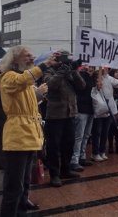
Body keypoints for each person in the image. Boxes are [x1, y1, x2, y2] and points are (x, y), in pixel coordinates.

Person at [0, 45, 55, 216]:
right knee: (14, 184)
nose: (31, 57)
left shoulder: (27, 80)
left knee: (25, 179)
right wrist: (44, 65)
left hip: (30, 135)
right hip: (18, 137)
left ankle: (22, 205)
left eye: (32, 55)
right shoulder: (8, 76)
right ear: (14, 59)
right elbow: (20, 82)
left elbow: (29, 104)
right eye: (27, 55)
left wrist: (38, 93)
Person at [43, 50, 85, 187]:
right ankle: (54, 174)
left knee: (69, 144)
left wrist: (73, 71)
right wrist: (62, 71)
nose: (64, 62)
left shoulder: (69, 71)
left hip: (71, 113)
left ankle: (65, 170)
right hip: (55, 115)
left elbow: (82, 86)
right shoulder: (48, 71)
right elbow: (51, 86)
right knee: (54, 147)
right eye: (62, 59)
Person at [90, 67, 118, 162]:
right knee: (97, 132)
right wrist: (98, 76)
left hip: (109, 108)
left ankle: (102, 151)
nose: (105, 69)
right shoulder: (94, 76)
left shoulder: (109, 78)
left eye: (107, 68)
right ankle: (95, 153)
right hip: (99, 108)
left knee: (105, 132)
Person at [71, 65, 95, 171]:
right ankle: (74, 160)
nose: (91, 69)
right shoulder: (81, 76)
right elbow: (80, 88)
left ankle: (82, 156)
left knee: (86, 135)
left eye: (93, 67)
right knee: (79, 136)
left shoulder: (95, 78)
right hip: (81, 109)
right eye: (90, 66)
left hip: (91, 109)